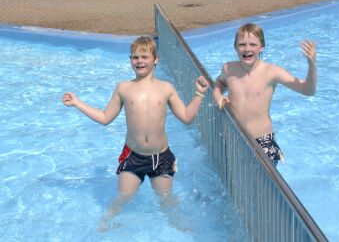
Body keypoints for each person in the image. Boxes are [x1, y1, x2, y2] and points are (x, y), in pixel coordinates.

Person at [62, 36, 209, 231]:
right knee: (123, 198)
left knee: (167, 202)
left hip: (161, 157)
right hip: (133, 156)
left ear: (155, 59)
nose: (139, 61)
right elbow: (106, 118)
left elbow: (186, 117)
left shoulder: (166, 88)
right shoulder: (124, 88)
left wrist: (199, 94)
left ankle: (180, 228)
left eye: (144, 57)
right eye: (134, 57)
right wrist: (78, 103)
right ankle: (103, 226)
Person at [213, 23, 317, 166]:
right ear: (235, 47)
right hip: (234, 136)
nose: (247, 49)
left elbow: (308, 90)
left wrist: (312, 65)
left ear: (262, 47)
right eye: (242, 44)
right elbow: (219, 83)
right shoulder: (229, 68)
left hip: (263, 141)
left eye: (253, 44)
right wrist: (218, 97)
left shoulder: (272, 72)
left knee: (265, 186)